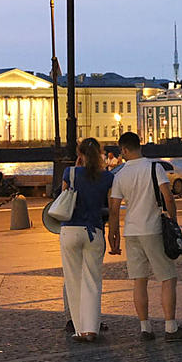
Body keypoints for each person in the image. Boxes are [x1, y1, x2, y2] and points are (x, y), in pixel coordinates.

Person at [108, 132, 182, 342]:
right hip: (153, 228)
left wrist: (114, 234)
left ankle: (145, 328)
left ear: (125, 150)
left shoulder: (119, 175)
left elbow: (113, 208)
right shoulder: (154, 168)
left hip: (131, 231)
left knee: (139, 280)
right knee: (167, 277)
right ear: (139, 146)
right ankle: (170, 327)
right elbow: (168, 197)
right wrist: (173, 222)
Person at [60, 138, 113, 342]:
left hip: (71, 230)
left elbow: (64, 198)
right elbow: (109, 206)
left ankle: (80, 329)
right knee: (93, 281)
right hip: (95, 231)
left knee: (74, 281)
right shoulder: (107, 176)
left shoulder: (71, 173)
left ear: (79, 154)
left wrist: (75, 168)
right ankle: (92, 329)